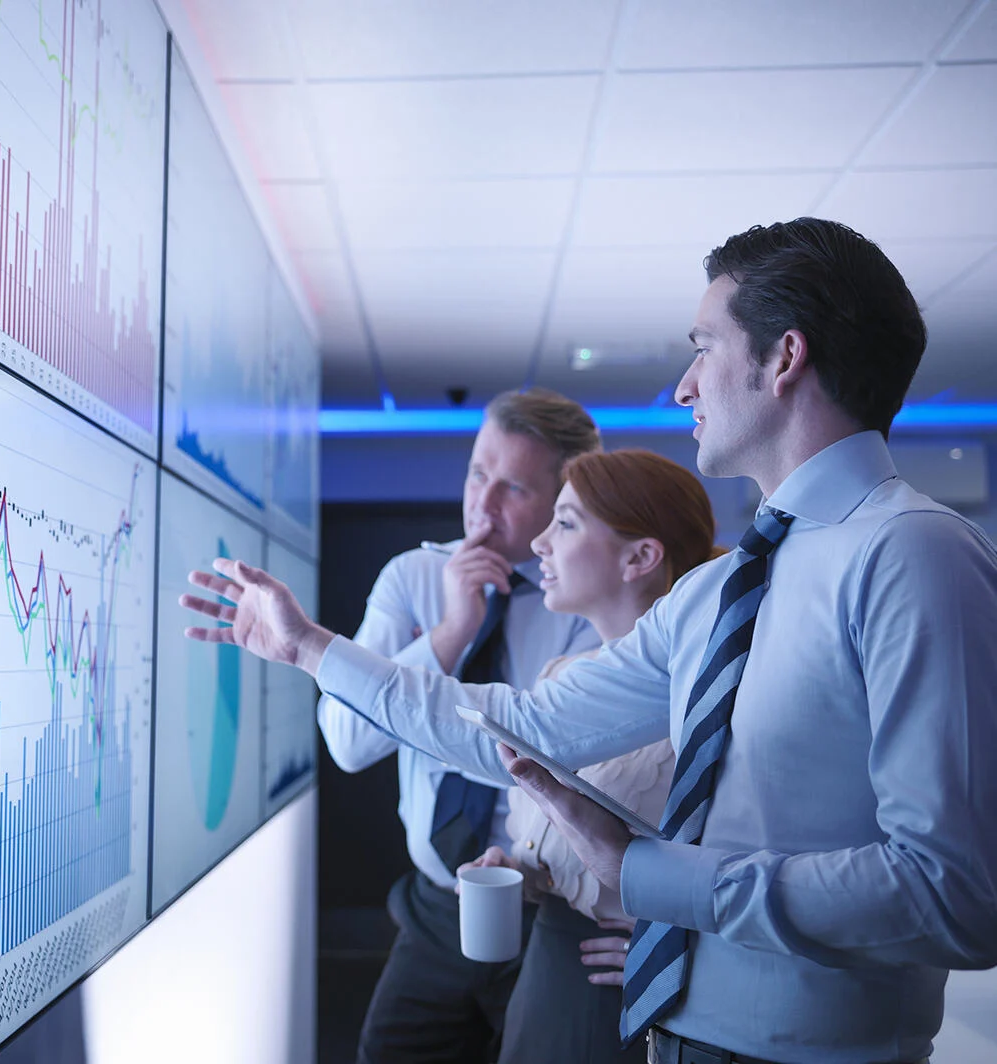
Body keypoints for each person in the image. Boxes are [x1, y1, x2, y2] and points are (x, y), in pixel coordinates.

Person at [182, 217, 997, 1064]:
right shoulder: (718, 592)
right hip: (672, 1037)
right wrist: (308, 647)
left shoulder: (913, 555)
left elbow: (957, 895)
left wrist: (658, 880)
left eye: (703, 348)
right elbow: (517, 725)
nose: (683, 387)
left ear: (783, 358)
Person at [317, 387, 603, 1063]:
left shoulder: (589, 598)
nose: (483, 503)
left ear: (563, 500)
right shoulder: (412, 577)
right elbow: (349, 744)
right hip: (437, 908)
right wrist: (450, 631)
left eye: (512, 488)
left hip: (553, 913)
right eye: (478, 473)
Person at [466, 449, 720, 1064]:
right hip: (547, 973)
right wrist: (516, 869)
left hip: (629, 988)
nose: (540, 543)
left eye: (567, 524)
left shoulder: (705, 702)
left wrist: (690, 948)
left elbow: (747, 866)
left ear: (641, 557)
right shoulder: (562, 676)